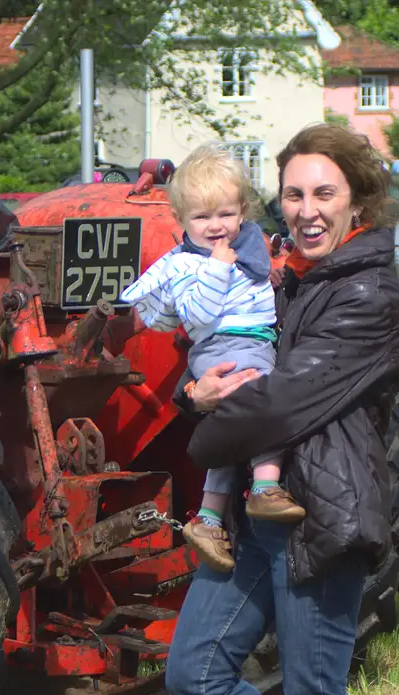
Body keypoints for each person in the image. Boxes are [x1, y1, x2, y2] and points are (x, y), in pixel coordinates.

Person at [162, 124, 399, 695]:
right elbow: (226, 355)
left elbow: (278, 399)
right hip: (256, 512)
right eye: (295, 194)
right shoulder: (287, 278)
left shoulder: (369, 293)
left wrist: (197, 429)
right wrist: (191, 390)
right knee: (193, 671)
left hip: (322, 517)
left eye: (324, 193)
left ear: (358, 201)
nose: (306, 210)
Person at [120, 143, 304, 574]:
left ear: (242, 211)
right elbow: (196, 315)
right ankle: (265, 486)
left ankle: (207, 519)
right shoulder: (191, 266)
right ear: (182, 222)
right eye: (202, 218)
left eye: (224, 214)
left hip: (247, 343)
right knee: (268, 402)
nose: (215, 227)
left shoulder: (248, 249)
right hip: (224, 349)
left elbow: (255, 287)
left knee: (228, 437)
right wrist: (218, 268)